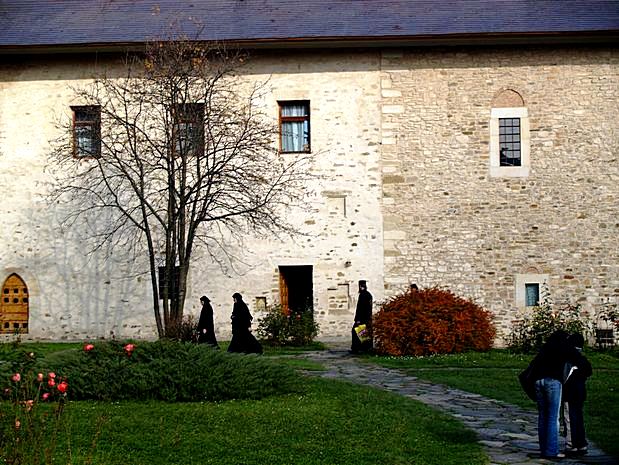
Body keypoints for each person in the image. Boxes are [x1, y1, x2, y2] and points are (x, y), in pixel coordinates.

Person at [529, 330, 584, 459]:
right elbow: (579, 360)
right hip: (553, 381)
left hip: (538, 381)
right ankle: (551, 451)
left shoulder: (546, 348)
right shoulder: (564, 347)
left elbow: (533, 364)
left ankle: (544, 449)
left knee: (543, 416)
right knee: (553, 418)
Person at [563, 333, 592, 455]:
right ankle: (581, 443)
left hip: (569, 392)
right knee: (578, 417)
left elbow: (565, 376)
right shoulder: (582, 359)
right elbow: (588, 372)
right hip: (580, 392)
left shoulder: (569, 359)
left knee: (569, 418)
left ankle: (572, 444)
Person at [351, 280, 373, 354]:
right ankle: (365, 347)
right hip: (367, 318)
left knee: (358, 332)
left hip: (362, 318)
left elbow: (360, 308)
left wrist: (358, 319)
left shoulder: (363, 295)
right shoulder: (368, 294)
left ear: (360, 286)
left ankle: (358, 348)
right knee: (363, 332)